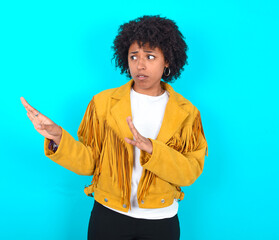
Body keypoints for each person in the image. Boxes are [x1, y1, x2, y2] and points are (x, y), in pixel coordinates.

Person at [21, 15, 208, 240]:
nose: (140, 65)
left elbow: (189, 172)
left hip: (161, 220)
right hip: (108, 217)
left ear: (167, 60)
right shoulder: (103, 103)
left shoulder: (187, 113)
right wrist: (59, 137)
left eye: (150, 56)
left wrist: (152, 149)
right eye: (134, 56)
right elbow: (90, 163)